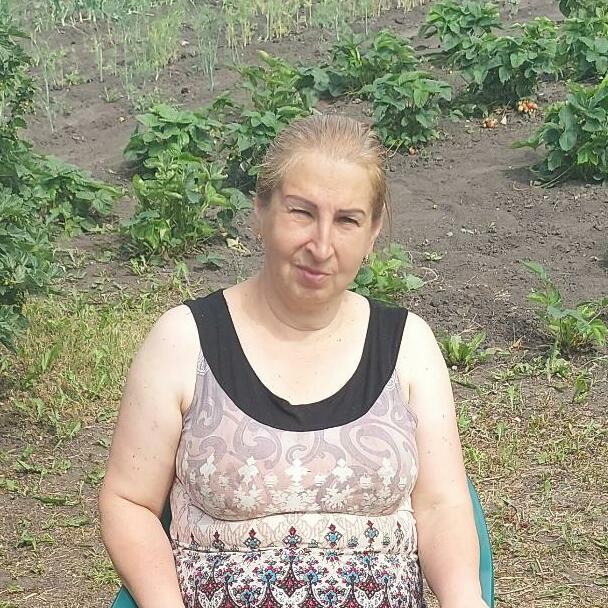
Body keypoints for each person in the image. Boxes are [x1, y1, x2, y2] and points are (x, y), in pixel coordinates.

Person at [99, 114, 489, 608]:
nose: (321, 246)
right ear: (260, 213)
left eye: (347, 221)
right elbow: (129, 501)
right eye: (301, 213)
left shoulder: (407, 345)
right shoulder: (185, 341)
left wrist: (464, 600)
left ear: (372, 233)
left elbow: (441, 505)